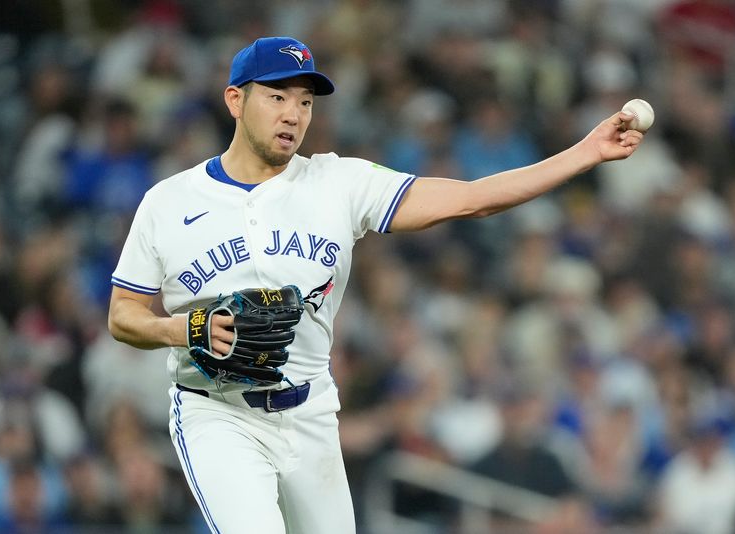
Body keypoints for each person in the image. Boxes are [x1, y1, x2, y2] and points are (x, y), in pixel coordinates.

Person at [107, 36, 645, 534]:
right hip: (216, 411)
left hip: (309, 409)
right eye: (277, 97)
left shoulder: (339, 183)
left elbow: (473, 197)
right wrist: (185, 330)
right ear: (235, 100)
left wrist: (585, 153)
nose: (293, 114)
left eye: (305, 101)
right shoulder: (170, 201)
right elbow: (123, 315)